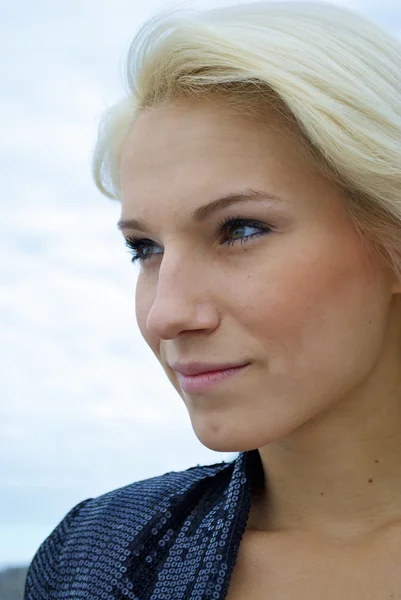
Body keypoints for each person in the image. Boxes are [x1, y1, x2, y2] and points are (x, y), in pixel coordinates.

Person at [24, 1, 401, 598]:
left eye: (240, 229)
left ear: (391, 237)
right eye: (144, 248)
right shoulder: (93, 559)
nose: (164, 314)